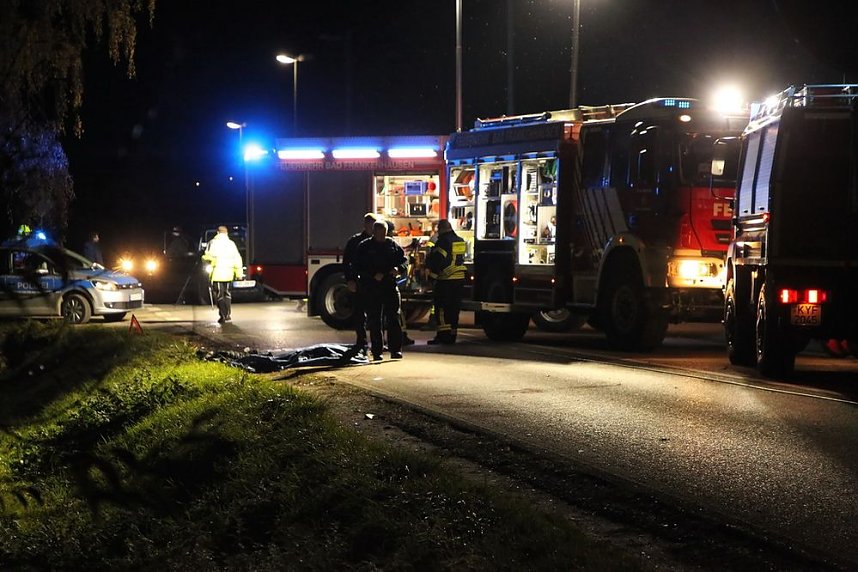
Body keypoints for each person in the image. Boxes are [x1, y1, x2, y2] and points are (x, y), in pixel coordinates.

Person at [355, 220, 408, 360]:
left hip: (389, 285)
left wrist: (399, 269)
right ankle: (377, 351)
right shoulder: (365, 246)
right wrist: (372, 275)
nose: (382, 237)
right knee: (375, 319)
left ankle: (395, 350)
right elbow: (358, 266)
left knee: (394, 318)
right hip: (372, 287)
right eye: (379, 234)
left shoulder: (392, 244)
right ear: (374, 232)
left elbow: (404, 260)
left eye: (384, 234)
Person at [427, 219, 466, 345]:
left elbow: (438, 261)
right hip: (459, 279)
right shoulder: (460, 240)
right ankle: (452, 335)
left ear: (442, 228)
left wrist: (432, 278)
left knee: (442, 310)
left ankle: (443, 336)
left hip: (446, 280)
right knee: (454, 310)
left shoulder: (443, 241)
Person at [343, 212, 378, 352]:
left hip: (375, 284)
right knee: (359, 314)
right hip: (360, 282)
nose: (371, 227)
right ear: (365, 224)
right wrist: (350, 280)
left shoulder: (381, 241)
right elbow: (347, 263)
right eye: (369, 224)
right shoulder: (355, 241)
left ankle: (376, 343)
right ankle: (361, 342)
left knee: (375, 315)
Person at [202, 226, 243, 324]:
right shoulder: (231, 244)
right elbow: (237, 259)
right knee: (227, 293)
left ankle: (223, 315)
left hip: (217, 273)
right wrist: (239, 273)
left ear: (217, 232)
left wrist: (203, 258)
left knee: (219, 294)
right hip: (229, 273)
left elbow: (207, 256)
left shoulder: (212, 243)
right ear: (227, 233)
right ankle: (228, 314)